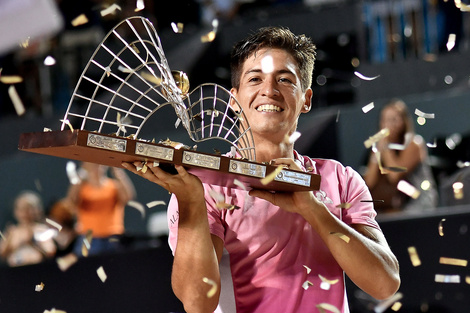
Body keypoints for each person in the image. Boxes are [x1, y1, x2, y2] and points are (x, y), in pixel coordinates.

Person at [122, 26, 400, 313]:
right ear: (234, 100)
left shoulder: (339, 179)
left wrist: (313, 209)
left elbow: (385, 284)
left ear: (306, 99)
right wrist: (190, 199)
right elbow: (197, 302)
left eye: (284, 79)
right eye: (255, 79)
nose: (269, 90)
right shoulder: (205, 186)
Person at [363, 99, 438, 213]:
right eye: (385, 120)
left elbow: (394, 175)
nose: (389, 125)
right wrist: (376, 152)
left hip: (417, 200)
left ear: (403, 121)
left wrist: (385, 147)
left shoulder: (414, 144)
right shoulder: (380, 146)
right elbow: (369, 183)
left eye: (394, 120)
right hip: (395, 203)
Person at [66, 162, 136, 256]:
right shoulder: (82, 189)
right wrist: (81, 175)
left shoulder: (113, 186)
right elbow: (71, 201)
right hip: (89, 239)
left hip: (113, 236)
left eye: (99, 165)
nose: (96, 168)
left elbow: (128, 197)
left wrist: (118, 173)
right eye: (92, 165)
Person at [0, 191, 56, 267]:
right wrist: (9, 244)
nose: (26, 213)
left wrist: (32, 243)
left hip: (37, 270)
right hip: (15, 272)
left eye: (30, 209)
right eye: (22, 209)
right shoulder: (12, 232)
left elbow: (50, 251)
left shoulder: (42, 229)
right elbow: (2, 253)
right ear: (16, 212)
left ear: (38, 210)